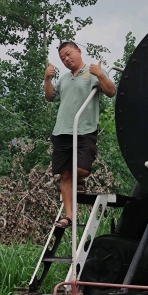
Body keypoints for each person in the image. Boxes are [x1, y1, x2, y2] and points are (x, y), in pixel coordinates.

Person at [44, 41, 116, 229]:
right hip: (61, 131)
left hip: (84, 130)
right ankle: (68, 216)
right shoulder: (65, 79)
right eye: (62, 58)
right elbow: (50, 97)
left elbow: (111, 91)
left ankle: (80, 181)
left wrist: (100, 74)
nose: (66, 59)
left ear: (78, 51)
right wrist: (47, 80)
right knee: (65, 174)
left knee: (82, 169)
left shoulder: (92, 73)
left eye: (68, 54)